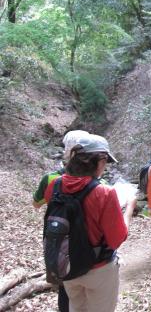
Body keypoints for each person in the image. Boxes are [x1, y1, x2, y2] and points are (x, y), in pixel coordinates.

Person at [42, 134, 136, 311]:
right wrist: (129, 207)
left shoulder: (54, 185)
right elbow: (117, 239)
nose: (105, 165)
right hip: (98, 269)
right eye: (106, 160)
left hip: (67, 265)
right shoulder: (105, 193)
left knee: (76, 307)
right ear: (99, 160)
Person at [33, 130, 91, 311]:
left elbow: (36, 204)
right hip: (89, 247)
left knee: (65, 291)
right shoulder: (98, 183)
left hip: (59, 242)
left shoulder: (50, 179)